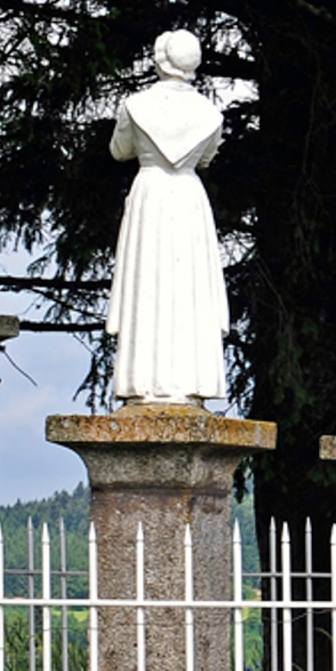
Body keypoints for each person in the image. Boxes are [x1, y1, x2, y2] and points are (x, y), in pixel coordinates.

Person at [105, 30, 227, 406]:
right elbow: (206, 158)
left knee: (149, 284)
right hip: (188, 198)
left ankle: (144, 381)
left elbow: (118, 150)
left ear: (160, 61)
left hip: (151, 195)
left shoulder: (135, 105)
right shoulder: (210, 113)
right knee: (187, 290)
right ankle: (188, 382)